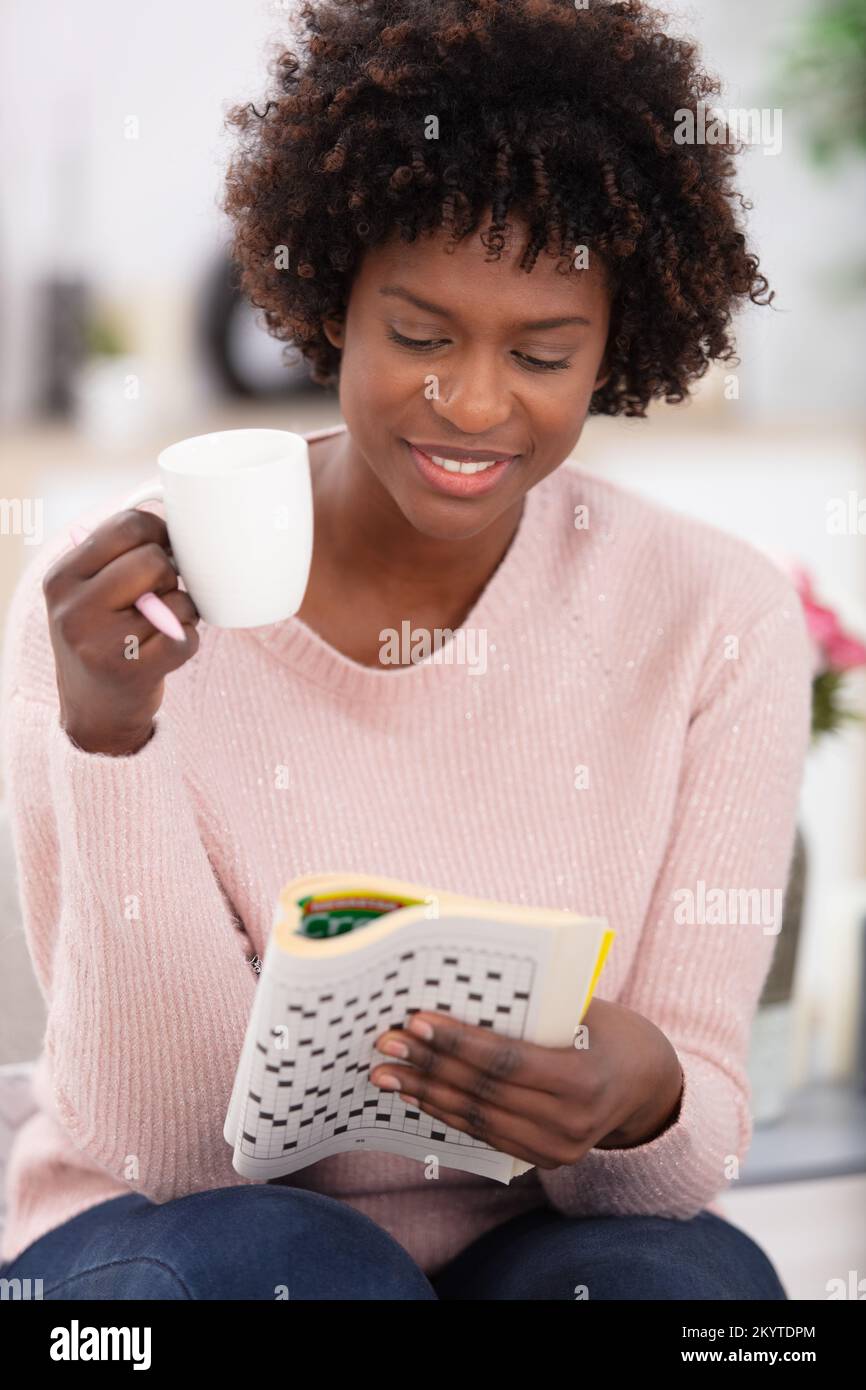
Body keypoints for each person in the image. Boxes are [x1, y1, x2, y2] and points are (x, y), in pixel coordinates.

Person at [0, 0, 809, 1299]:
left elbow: (675, 1175)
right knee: (292, 1265)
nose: (473, 404)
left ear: (614, 349)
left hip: (532, 1241)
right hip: (173, 1240)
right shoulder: (115, 612)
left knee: (682, 1291)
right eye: (419, 337)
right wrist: (111, 743)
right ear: (330, 301)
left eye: (541, 354)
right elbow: (163, 1141)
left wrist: (637, 1094)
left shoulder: (713, 617)